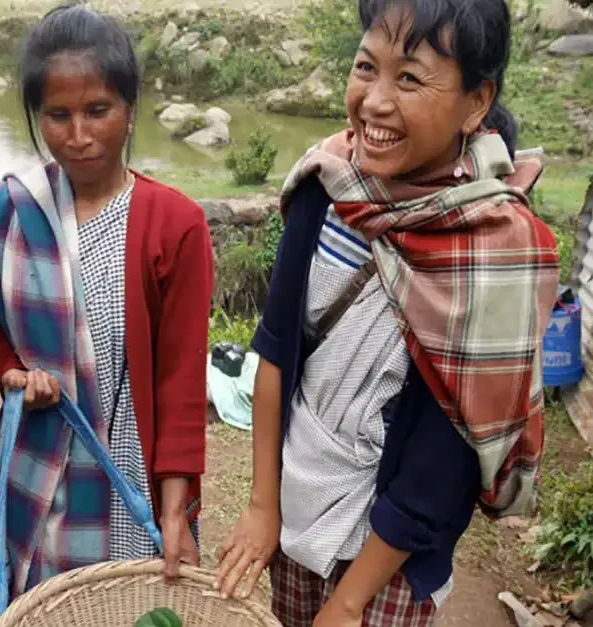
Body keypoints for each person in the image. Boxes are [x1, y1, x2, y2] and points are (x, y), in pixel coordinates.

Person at [214, 1, 560, 626]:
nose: (374, 101)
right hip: (299, 503)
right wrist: (264, 506)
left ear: (476, 100)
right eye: (366, 66)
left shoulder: (489, 251)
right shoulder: (328, 186)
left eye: (410, 78)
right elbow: (276, 348)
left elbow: (441, 459)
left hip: (391, 558)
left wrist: (349, 604)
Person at [0, 3, 213, 598]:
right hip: (41, 476)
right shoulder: (9, 212)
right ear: (36, 116)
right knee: (45, 606)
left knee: (128, 605)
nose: (78, 136)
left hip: (127, 475)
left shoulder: (173, 224)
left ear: (130, 110)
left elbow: (182, 380)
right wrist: (14, 375)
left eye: (97, 111)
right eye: (58, 115)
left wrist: (174, 510)